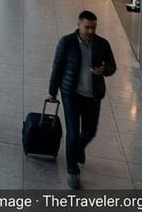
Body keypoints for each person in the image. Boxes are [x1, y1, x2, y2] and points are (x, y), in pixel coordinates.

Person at [47, 10, 117, 190]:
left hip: (93, 97)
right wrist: (52, 91)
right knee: (72, 133)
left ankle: (78, 149)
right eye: (87, 27)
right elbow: (58, 67)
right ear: (79, 25)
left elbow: (112, 66)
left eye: (93, 27)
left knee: (90, 131)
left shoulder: (102, 44)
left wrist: (104, 71)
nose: (90, 31)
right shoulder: (67, 42)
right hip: (71, 94)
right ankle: (72, 170)